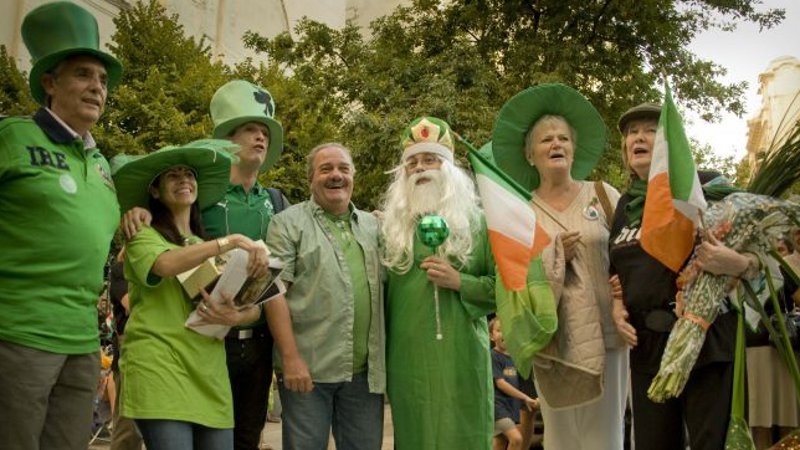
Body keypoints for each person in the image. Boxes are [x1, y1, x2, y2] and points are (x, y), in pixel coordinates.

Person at [121, 80, 290, 450]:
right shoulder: (145, 232)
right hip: (164, 364)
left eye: (190, 176)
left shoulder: (268, 207)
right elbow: (164, 264)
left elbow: (225, 296)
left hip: (209, 364)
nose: (184, 181)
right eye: (250, 129)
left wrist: (241, 316)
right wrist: (229, 242)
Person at [0, 3, 123, 449]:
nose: (97, 87)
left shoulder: (101, 163)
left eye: (103, 80)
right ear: (49, 83)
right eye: (83, 74)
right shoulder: (12, 137)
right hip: (18, 335)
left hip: (82, 342)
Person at [609, 102, 762, 450]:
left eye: (650, 130)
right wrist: (616, 307)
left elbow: (770, 249)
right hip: (647, 347)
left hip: (706, 340)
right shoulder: (625, 205)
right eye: (632, 133)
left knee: (713, 443)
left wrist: (735, 262)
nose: (638, 137)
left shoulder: (707, 185)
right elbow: (614, 273)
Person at [491, 84, 628, 450]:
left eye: (564, 138)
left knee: (607, 434)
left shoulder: (603, 194)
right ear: (529, 154)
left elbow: (627, 256)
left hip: (607, 335)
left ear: (573, 147)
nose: (556, 145)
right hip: (551, 340)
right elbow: (513, 278)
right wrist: (552, 259)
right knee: (563, 437)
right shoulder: (520, 212)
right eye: (546, 140)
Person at [381, 117, 496, 449]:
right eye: (413, 162)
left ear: (449, 169)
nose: (420, 169)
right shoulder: (389, 230)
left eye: (430, 159)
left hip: (464, 357)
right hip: (407, 360)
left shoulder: (480, 224)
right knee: (416, 436)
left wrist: (460, 281)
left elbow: (503, 289)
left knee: (465, 434)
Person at [264, 143, 385, 450]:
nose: (336, 176)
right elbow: (273, 294)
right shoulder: (287, 223)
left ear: (353, 177)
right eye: (326, 169)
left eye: (343, 169)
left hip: (364, 375)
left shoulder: (374, 226)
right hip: (308, 372)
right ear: (311, 179)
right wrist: (291, 359)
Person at [746, 235, 800, 450]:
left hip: (771, 347)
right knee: (780, 419)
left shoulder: (774, 265)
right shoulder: (778, 265)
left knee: (764, 421)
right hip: (771, 347)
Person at [108, 247, 145, 450]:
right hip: (129, 349)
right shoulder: (120, 270)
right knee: (128, 428)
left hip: (160, 349)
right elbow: (132, 304)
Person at [489, 318, 539, 450]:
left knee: (500, 441)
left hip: (511, 407)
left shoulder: (513, 357)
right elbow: (501, 383)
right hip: (498, 408)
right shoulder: (493, 356)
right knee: (516, 439)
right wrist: (524, 397)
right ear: (491, 335)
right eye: (499, 331)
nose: (503, 334)